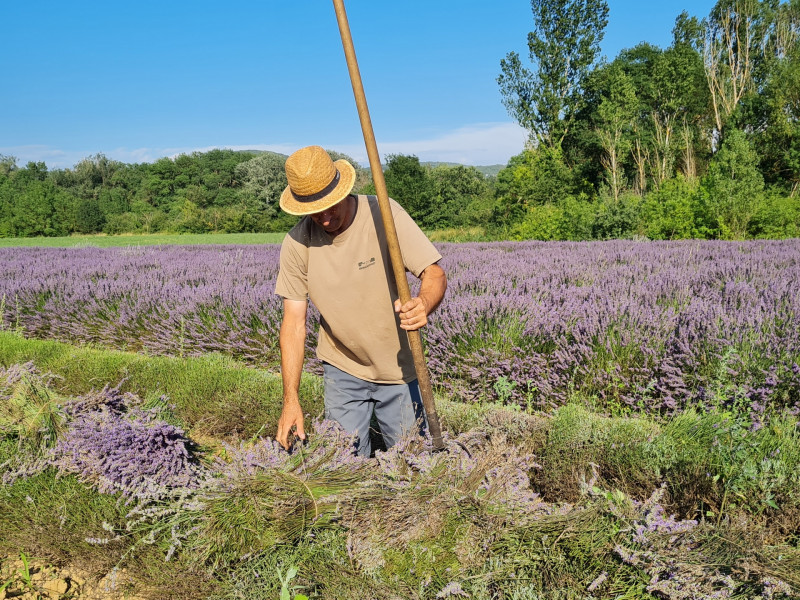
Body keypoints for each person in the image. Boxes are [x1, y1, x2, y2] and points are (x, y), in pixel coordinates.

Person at [274, 145, 447, 456]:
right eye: (315, 211)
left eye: (330, 207)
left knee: (412, 465)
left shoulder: (384, 214)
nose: (325, 219)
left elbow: (434, 273)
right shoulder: (297, 242)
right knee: (344, 465)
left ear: (343, 190)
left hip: (398, 370)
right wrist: (291, 400)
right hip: (342, 370)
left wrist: (423, 303)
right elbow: (294, 325)